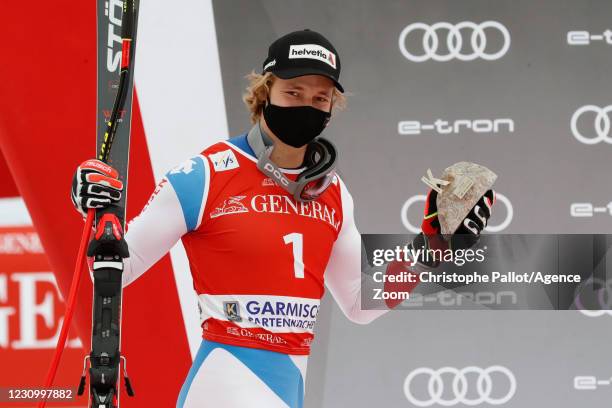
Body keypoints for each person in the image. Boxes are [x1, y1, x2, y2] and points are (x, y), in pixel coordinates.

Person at [71, 29, 494, 408]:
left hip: (289, 382)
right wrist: (91, 210)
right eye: (294, 93)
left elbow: (359, 302)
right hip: (227, 377)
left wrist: (429, 249)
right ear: (265, 92)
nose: (307, 105)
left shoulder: (332, 192)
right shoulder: (205, 173)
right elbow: (111, 270)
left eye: (320, 97)